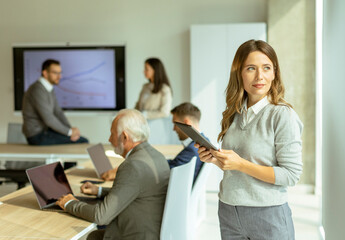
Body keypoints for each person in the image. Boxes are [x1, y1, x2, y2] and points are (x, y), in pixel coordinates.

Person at [196, 40, 303, 240]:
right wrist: (216, 159)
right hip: (229, 211)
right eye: (251, 68)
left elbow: (291, 174)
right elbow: (237, 166)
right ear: (240, 73)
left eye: (266, 68)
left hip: (267, 215)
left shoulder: (282, 115)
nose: (259, 76)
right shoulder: (234, 114)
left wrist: (241, 164)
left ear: (274, 73)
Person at [56, 109, 170, 240]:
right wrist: (99, 190)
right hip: (151, 232)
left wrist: (69, 203)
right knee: (94, 236)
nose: (109, 139)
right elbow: (136, 191)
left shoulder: (132, 166)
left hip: (133, 235)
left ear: (125, 137)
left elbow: (101, 216)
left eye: (112, 134)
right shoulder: (157, 156)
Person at [102, 102, 207, 183]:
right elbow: (172, 164)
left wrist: (128, 171)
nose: (174, 129)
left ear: (186, 123)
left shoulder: (194, 149)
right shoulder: (199, 145)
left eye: (175, 124)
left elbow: (166, 172)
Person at [22, 59, 89, 145]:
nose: (59, 76)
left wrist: (71, 130)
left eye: (60, 73)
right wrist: (69, 132)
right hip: (37, 136)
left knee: (80, 138)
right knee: (83, 141)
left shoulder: (48, 88)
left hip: (46, 131)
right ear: (45, 73)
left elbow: (58, 112)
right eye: (55, 73)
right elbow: (49, 119)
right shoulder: (37, 90)